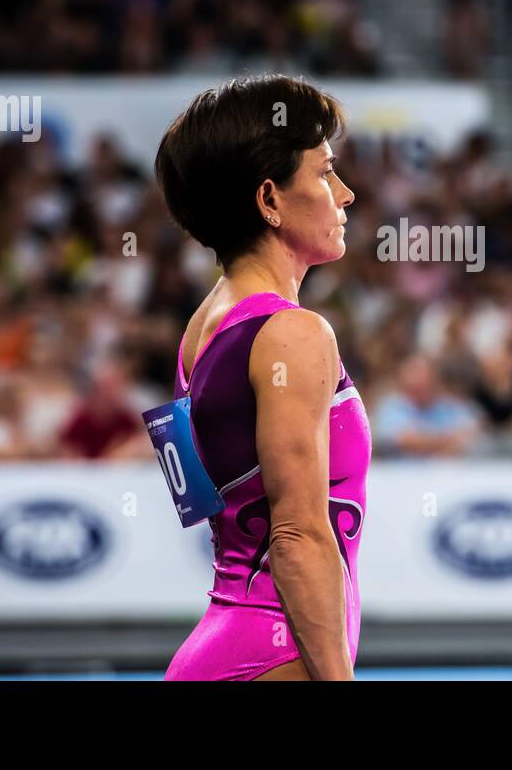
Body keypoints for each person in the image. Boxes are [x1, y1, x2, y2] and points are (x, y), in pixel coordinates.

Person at [152, 75, 368, 681]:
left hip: (219, 647)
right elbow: (297, 536)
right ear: (269, 199)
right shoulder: (294, 335)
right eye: (325, 174)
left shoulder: (200, 333)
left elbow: (211, 512)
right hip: (271, 655)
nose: (346, 194)